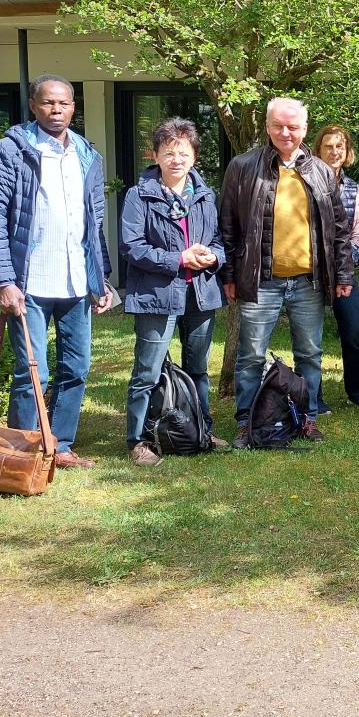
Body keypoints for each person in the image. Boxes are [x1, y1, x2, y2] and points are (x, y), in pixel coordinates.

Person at [0, 74, 115, 469]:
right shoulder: (12, 150)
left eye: (64, 103)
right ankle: (23, 454)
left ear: (74, 107)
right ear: (34, 106)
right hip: (29, 282)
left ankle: (61, 445)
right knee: (31, 371)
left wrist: (100, 278)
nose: (56, 110)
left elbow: (93, 222)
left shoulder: (86, 154)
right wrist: (4, 281)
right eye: (48, 102)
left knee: (77, 368)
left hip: (75, 282)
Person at [220, 97, 353, 448]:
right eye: (278, 125)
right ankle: (247, 423)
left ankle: (307, 419)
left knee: (309, 354)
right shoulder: (243, 166)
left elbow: (339, 229)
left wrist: (343, 274)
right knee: (251, 355)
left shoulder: (322, 171)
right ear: (267, 127)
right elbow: (228, 225)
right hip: (260, 279)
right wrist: (229, 275)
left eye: (293, 126)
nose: (285, 132)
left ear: (305, 129)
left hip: (309, 281)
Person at [121, 118, 228, 466]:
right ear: (155, 155)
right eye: (168, 153)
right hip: (157, 295)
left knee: (198, 369)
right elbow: (132, 246)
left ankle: (200, 430)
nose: (176, 160)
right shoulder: (139, 195)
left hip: (200, 293)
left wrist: (213, 256)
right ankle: (139, 440)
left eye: (183, 153)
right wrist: (178, 258)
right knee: (147, 372)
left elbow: (219, 241)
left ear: (194, 156)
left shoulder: (206, 196)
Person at [311, 124, 359, 412]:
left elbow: (356, 231)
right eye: (328, 146)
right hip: (311, 271)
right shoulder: (306, 183)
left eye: (340, 146)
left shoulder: (352, 187)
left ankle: (355, 391)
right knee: (311, 336)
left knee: (354, 331)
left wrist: (352, 257)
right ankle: (314, 396)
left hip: (344, 271)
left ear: (347, 151)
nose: (334, 151)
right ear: (318, 150)